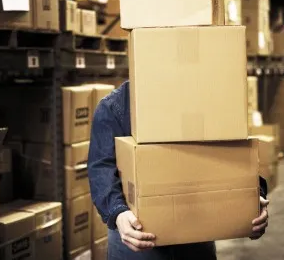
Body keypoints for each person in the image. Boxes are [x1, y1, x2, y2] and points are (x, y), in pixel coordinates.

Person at [88, 81, 269, 260]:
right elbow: (101, 166)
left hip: (196, 237)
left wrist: (251, 199)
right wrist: (118, 212)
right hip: (136, 240)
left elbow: (232, 153)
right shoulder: (114, 107)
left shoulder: (205, 102)